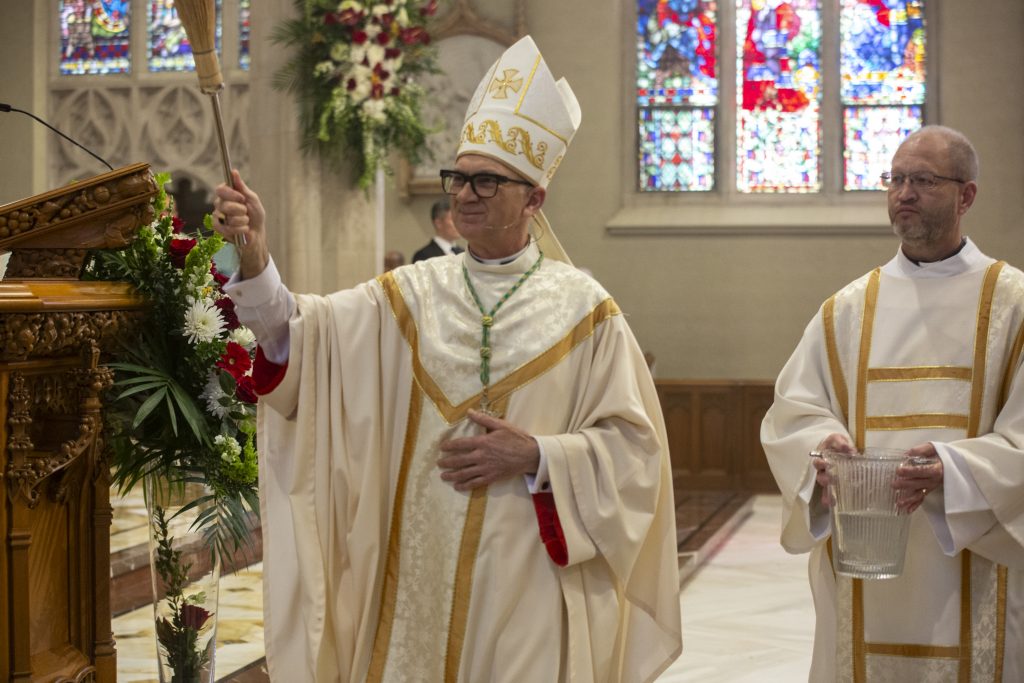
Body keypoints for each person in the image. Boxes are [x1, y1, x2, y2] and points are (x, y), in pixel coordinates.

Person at [213, 35, 681, 682]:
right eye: (458, 177)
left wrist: (541, 456)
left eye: (486, 180)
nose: (464, 194)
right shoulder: (405, 294)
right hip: (414, 578)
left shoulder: (587, 313)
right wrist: (258, 258)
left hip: (530, 585)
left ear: (535, 199)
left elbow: (637, 455)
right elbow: (298, 338)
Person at [761, 125, 1024, 681]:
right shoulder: (847, 310)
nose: (903, 193)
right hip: (865, 563)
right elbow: (794, 410)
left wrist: (951, 471)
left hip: (977, 562)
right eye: (896, 179)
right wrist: (820, 449)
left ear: (966, 196)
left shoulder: (1013, 307)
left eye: (923, 180)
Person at [412, 197, 463, 261]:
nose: (458, 223)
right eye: (453, 219)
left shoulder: (463, 253)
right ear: (438, 223)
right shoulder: (424, 255)